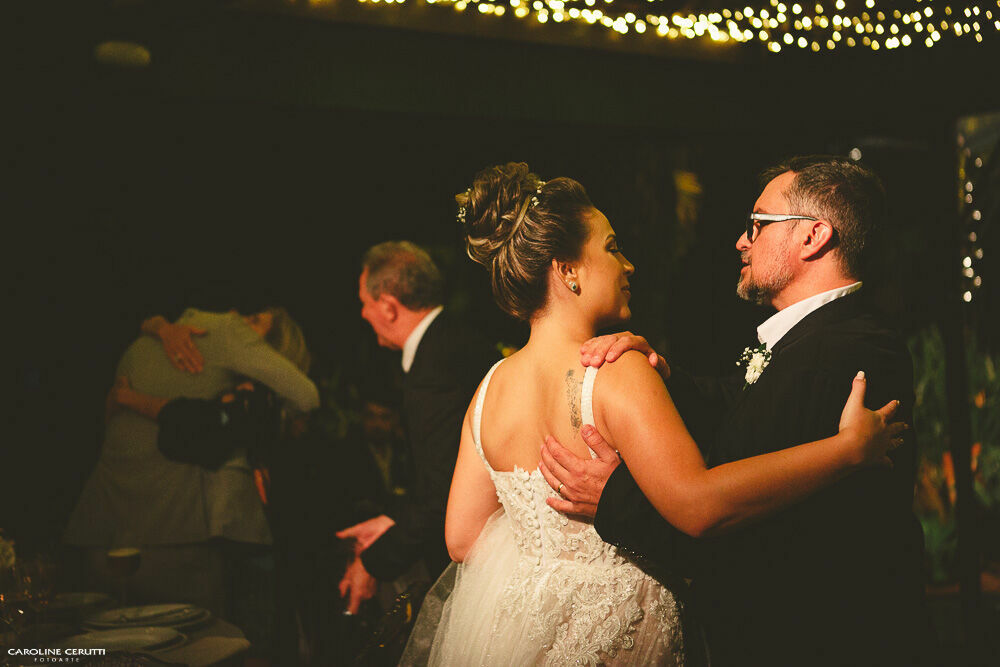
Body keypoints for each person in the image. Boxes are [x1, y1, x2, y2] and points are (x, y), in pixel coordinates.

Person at [403, 162, 905, 666]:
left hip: (516, 637)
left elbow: (463, 538)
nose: (629, 265)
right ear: (567, 269)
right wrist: (847, 450)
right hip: (619, 632)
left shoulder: (489, 388)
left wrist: (546, 563)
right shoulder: (617, 371)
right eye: (613, 246)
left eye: (757, 225)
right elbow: (700, 505)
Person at [542, 155, 928, 666]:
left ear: (813, 237)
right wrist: (665, 378)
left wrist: (615, 499)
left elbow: (746, 542)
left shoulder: (845, 357)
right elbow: (746, 401)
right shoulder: (821, 339)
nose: (741, 242)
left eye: (757, 225)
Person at [64, 307, 318, 617]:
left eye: (256, 321)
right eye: (246, 318)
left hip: (108, 528)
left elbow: (203, 428)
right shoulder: (217, 340)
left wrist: (131, 398)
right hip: (176, 533)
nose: (243, 323)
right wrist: (158, 326)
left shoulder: (252, 394)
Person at [337, 242, 499, 615]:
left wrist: (372, 562)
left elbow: (444, 490)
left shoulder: (434, 370)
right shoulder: (455, 339)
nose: (362, 313)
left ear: (389, 306)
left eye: (365, 302)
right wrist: (393, 520)